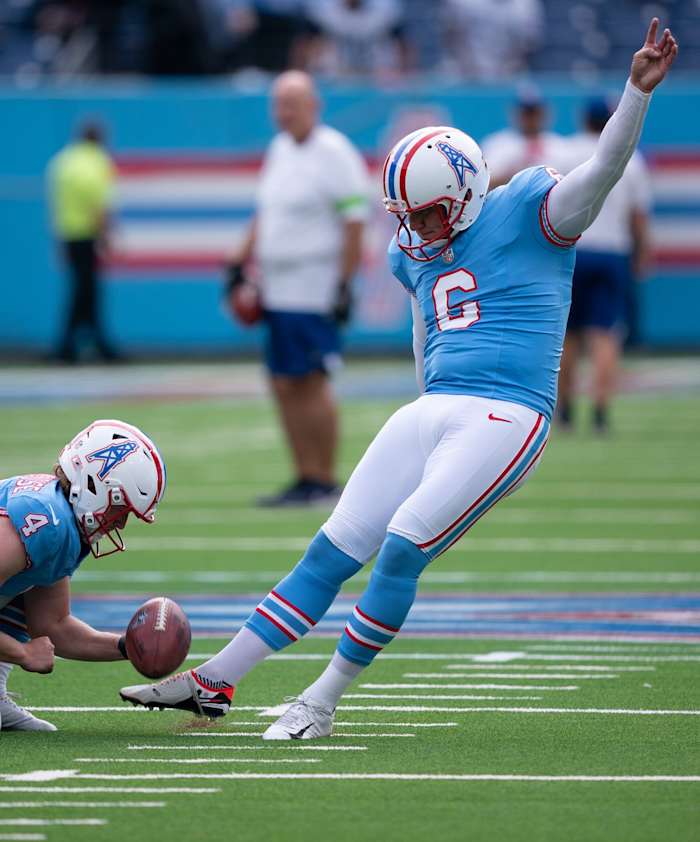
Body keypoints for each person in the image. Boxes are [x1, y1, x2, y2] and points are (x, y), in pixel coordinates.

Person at [121, 19, 677, 738]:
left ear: (470, 192)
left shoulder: (531, 209)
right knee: (332, 546)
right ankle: (217, 679)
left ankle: (319, 700)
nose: (417, 226)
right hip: (437, 405)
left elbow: (604, 167)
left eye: (428, 211)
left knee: (405, 545)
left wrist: (635, 92)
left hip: (508, 413)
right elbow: (426, 336)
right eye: (407, 214)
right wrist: (425, 413)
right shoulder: (414, 249)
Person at [225, 70, 371, 507]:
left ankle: (324, 478)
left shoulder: (334, 151)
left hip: (313, 285)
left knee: (311, 380)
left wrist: (344, 284)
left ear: (315, 104)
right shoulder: (280, 149)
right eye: (279, 103)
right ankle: (304, 474)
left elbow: (355, 220)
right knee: (283, 381)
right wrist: (239, 260)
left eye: (293, 102)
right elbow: (265, 213)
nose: (284, 112)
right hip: (278, 286)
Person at [0, 420, 166, 731]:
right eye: (121, 510)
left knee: (21, 591)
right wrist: (20, 652)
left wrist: (128, 647)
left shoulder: (60, 524)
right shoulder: (46, 520)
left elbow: (53, 626)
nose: (120, 525)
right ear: (93, 487)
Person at [556, 98, 653, 434]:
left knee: (566, 335)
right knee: (604, 335)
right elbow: (638, 216)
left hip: (573, 249)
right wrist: (642, 253)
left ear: (583, 118)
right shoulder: (632, 160)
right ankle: (599, 411)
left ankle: (565, 410)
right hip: (612, 251)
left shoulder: (564, 152)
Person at [48, 121, 119, 363]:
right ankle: (76, 345)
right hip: (87, 235)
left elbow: (57, 205)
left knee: (83, 290)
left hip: (69, 234)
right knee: (85, 292)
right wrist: (106, 234)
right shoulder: (97, 162)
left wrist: (58, 240)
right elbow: (98, 202)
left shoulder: (63, 162)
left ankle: (78, 343)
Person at [481, 88, 566, 189]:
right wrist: (515, 174)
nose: (530, 118)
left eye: (534, 112)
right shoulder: (497, 144)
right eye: (526, 113)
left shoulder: (559, 145)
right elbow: (482, 184)